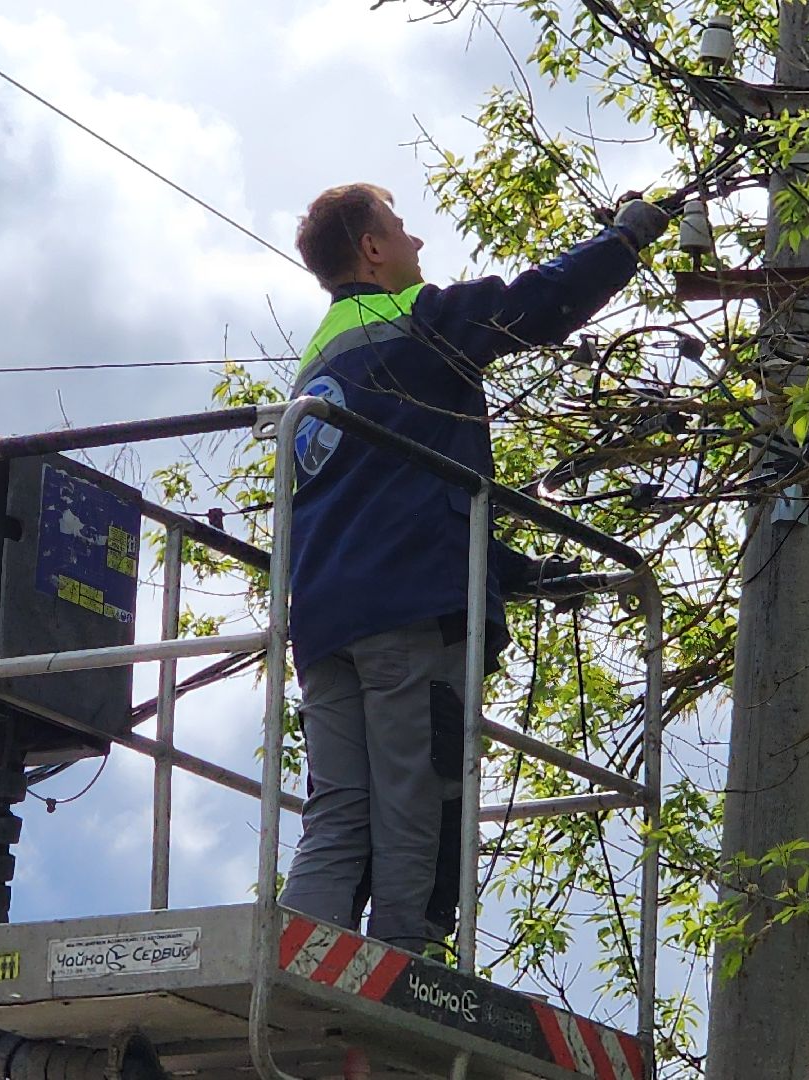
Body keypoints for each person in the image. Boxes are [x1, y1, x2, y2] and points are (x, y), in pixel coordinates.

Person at [278, 182, 668, 954]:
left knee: (340, 810)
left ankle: (297, 960)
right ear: (372, 249)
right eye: (402, 229)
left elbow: (391, 507)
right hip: (408, 619)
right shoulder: (411, 322)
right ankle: (402, 975)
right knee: (416, 802)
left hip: (323, 627)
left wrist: (518, 573)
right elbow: (535, 305)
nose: (418, 242)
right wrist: (624, 241)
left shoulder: (318, 368)